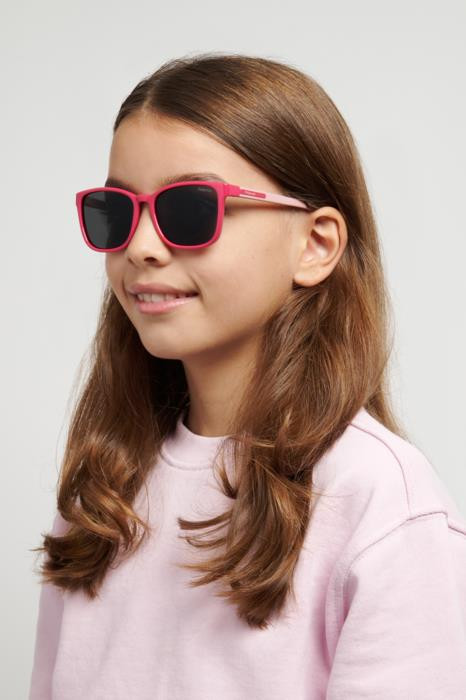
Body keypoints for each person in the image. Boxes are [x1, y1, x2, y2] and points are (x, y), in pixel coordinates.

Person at [28, 52, 466, 699]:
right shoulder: (104, 489)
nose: (141, 247)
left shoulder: (379, 504)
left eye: (188, 210)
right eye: (117, 212)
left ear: (315, 244)